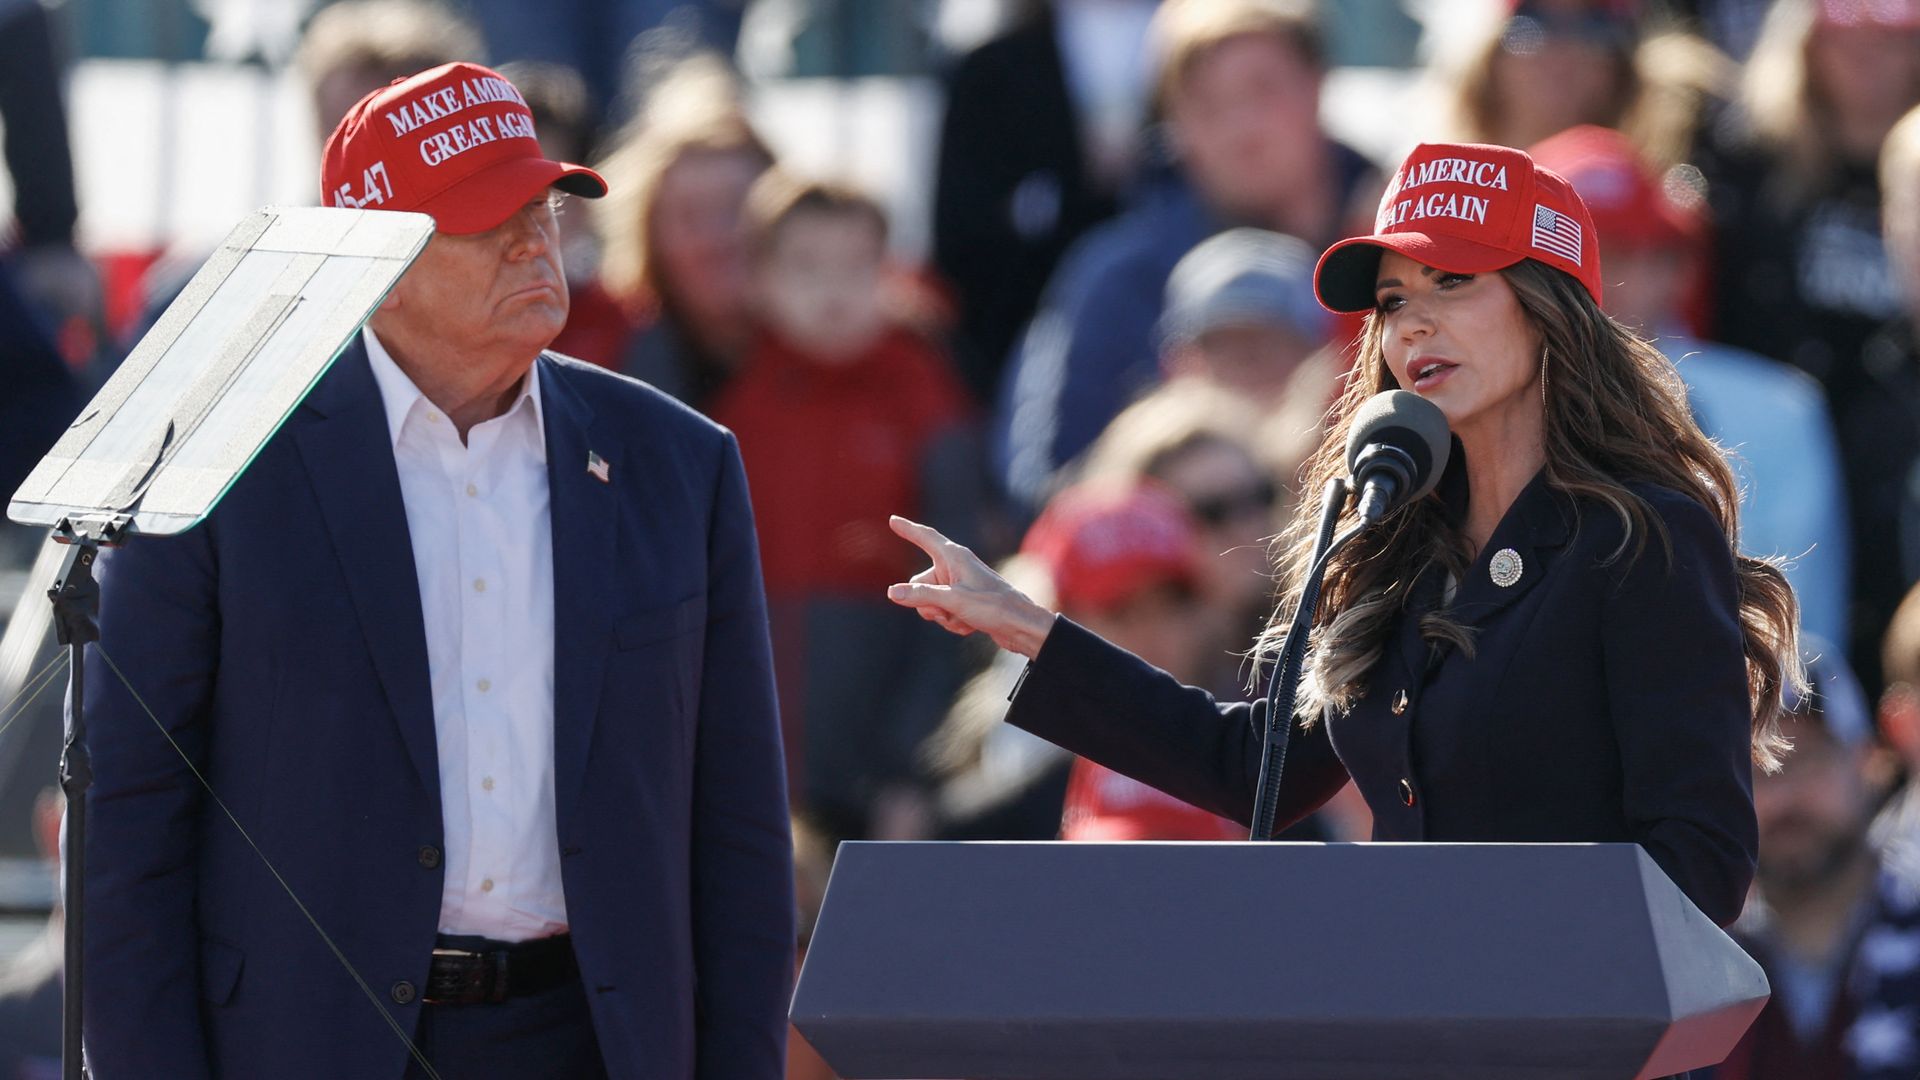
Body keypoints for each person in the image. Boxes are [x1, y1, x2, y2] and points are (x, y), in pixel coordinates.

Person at [81, 62, 793, 1080]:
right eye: (484, 216)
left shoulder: (679, 464)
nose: (532, 239)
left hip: (596, 1042)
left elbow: (738, 836)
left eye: (541, 205)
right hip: (303, 1045)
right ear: (377, 263)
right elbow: (130, 825)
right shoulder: (213, 465)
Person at [889, 140, 1803, 931]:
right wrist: (1027, 625)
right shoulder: (1396, 541)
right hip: (1422, 1030)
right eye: (1395, 300)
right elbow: (1257, 766)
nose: (1416, 323)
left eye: (1454, 283)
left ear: (1547, 306)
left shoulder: (1641, 536)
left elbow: (1702, 864)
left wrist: (1515, 953)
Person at [993, 0, 1375, 514]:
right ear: (1173, 126)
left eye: (1264, 89)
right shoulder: (1115, 277)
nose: (1243, 128)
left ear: (1318, 85)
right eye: (1207, 104)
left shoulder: (1402, 252)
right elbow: (1050, 487)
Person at [709, 173, 973, 840]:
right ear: (757, 280)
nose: (833, 291)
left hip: (880, 779)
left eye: (857, 266)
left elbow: (962, 598)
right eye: (805, 267)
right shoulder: (728, 410)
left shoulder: (927, 402)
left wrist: (911, 768)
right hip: (747, 766)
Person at [1528, 123, 1852, 652]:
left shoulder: (1782, 408)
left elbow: (1807, 642)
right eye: (1594, 250)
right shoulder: (1470, 400)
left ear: (1678, 268)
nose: (1611, 277)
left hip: (1742, 704)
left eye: (1651, 251)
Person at [1709, 647, 1920, 1080]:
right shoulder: (1694, 969)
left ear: (1870, 763)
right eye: (1758, 766)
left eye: (1807, 759)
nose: (1784, 797)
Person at [932, 0, 1155, 402]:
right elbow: (962, 236)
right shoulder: (991, 69)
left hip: (1180, 337)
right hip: (1031, 340)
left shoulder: (1221, 53)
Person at [592, 51, 775, 410]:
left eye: (739, 210)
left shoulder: (870, 355)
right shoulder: (600, 364)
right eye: (691, 217)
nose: (718, 239)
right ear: (648, 236)